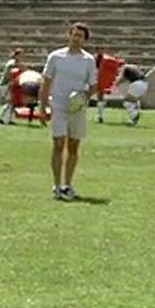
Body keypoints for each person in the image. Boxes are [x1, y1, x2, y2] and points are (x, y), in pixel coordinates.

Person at [38, 22, 99, 201]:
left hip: (77, 108)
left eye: (80, 36)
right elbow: (46, 81)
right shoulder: (56, 57)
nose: (76, 38)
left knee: (73, 145)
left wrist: (83, 97)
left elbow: (94, 85)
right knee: (58, 143)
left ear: (84, 40)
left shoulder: (88, 60)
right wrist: (42, 107)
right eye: (74, 34)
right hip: (58, 105)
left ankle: (68, 184)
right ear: (69, 35)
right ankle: (56, 185)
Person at [0, 48, 23, 125]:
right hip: (6, 84)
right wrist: (11, 85)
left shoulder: (15, 63)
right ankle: (1, 117)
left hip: (9, 84)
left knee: (12, 102)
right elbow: (9, 75)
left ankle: (9, 119)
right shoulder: (12, 64)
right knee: (10, 102)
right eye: (21, 55)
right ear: (17, 55)